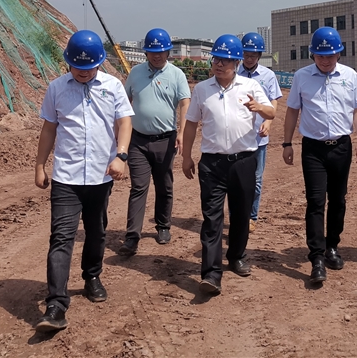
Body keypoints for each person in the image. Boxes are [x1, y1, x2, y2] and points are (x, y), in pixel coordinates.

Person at [34, 30, 134, 333]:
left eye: (89, 67)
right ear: (68, 62)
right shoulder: (56, 88)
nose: (83, 72)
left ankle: (92, 276)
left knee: (96, 232)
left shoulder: (113, 86)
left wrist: (121, 155)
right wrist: (40, 165)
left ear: (99, 63)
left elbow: (124, 122)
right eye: (78, 67)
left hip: (101, 176)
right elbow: (49, 128)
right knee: (61, 237)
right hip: (66, 176)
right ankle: (56, 304)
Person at [181, 34, 275, 295]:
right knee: (212, 219)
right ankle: (211, 274)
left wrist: (259, 107)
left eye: (226, 60)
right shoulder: (202, 89)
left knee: (241, 214)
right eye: (216, 60)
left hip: (244, 161)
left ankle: (237, 256)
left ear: (236, 63)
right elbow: (191, 124)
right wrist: (186, 156)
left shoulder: (250, 86)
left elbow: (272, 112)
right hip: (212, 164)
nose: (219, 65)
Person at [282, 27, 357, 284]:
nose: (325, 60)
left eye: (330, 55)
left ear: (339, 53)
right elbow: (292, 111)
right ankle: (317, 257)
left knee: (338, 200)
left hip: (341, 147)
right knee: (315, 201)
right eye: (320, 56)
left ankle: (332, 246)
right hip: (313, 149)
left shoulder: (350, 76)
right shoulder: (302, 77)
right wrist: (287, 143)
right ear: (312, 55)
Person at [118, 28, 190, 255]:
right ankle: (132, 236)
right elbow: (124, 101)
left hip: (165, 140)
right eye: (152, 52)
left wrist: (182, 131)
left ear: (168, 52)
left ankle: (163, 225)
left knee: (164, 185)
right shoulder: (135, 73)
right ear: (146, 52)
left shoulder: (177, 75)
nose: (157, 56)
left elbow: (185, 104)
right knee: (138, 187)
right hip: (138, 140)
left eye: (161, 52)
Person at [238, 32, 282, 232]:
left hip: (259, 137)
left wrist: (268, 122)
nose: (249, 59)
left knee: (256, 179)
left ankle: (251, 216)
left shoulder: (268, 75)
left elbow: (273, 101)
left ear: (259, 56)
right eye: (246, 55)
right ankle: (238, 216)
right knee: (237, 180)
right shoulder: (234, 72)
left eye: (253, 55)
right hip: (238, 137)